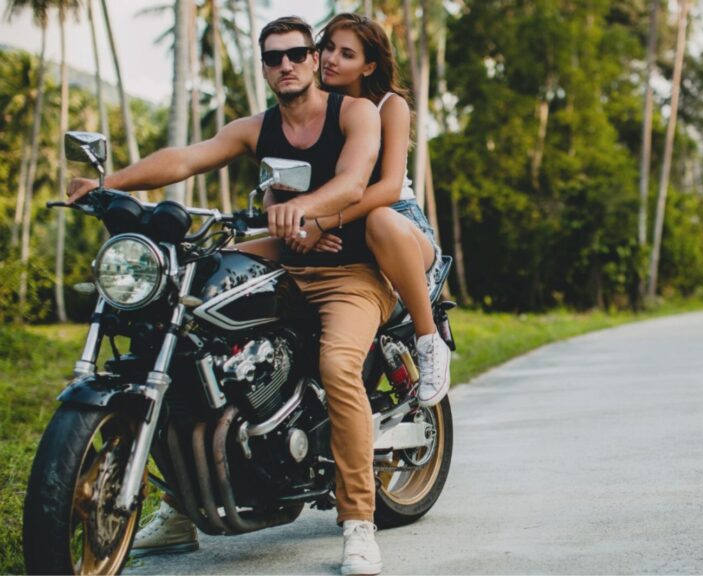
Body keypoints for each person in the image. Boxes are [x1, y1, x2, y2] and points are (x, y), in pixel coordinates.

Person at [68, 16, 388, 575]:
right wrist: (107, 185)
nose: (284, 65)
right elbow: (186, 158)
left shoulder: (353, 112)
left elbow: (355, 180)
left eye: (295, 53)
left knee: (338, 366)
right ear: (265, 69)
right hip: (284, 260)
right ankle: (182, 507)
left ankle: (358, 519)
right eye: (272, 58)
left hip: (351, 272)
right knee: (187, 338)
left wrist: (303, 206)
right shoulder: (257, 126)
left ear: (314, 59)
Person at [246, 12, 451, 408]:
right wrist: (290, 220)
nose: (330, 59)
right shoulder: (316, 107)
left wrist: (323, 220)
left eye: (346, 53)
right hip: (329, 223)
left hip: (394, 220)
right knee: (236, 254)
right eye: (326, 48)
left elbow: (387, 187)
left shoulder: (388, 106)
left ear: (368, 65)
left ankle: (429, 342)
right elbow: (284, 176)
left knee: (380, 219)